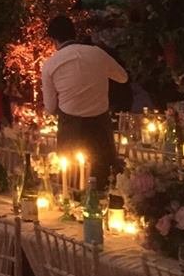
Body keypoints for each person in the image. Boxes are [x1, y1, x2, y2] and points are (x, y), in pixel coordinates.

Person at [41, 15, 128, 184]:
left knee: (72, 180)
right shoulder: (97, 53)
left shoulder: (50, 65)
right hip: (100, 124)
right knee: (104, 176)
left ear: (53, 39)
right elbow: (123, 77)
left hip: (71, 127)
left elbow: (50, 107)